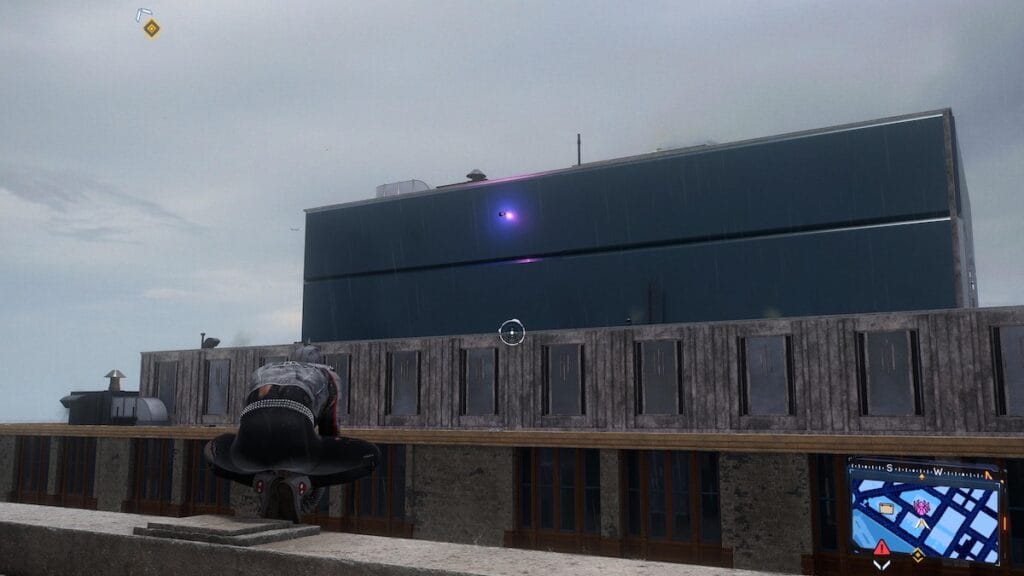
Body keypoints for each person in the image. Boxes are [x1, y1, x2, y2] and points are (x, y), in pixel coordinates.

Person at [204, 344, 379, 521]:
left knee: (212, 450)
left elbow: (251, 422)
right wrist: (314, 477)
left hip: (248, 451)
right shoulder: (327, 374)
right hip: (296, 444)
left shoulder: (264, 370)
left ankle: (261, 481)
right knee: (370, 456)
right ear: (319, 361)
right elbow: (329, 432)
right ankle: (301, 485)